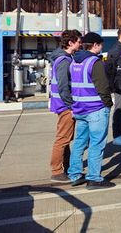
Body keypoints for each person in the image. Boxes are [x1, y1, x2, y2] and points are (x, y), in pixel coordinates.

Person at [67, 32, 115, 189]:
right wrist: (108, 104)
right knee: (97, 143)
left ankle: (74, 174)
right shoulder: (95, 63)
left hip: (80, 109)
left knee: (79, 142)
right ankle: (94, 177)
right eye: (100, 45)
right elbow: (103, 87)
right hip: (96, 109)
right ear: (95, 45)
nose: (101, 47)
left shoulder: (74, 62)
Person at [48, 29, 82, 183]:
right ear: (70, 43)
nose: (80, 44)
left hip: (61, 104)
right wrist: (71, 106)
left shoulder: (63, 58)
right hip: (65, 106)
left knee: (66, 137)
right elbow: (63, 86)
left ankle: (66, 166)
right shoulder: (64, 61)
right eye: (78, 42)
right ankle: (56, 170)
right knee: (62, 139)